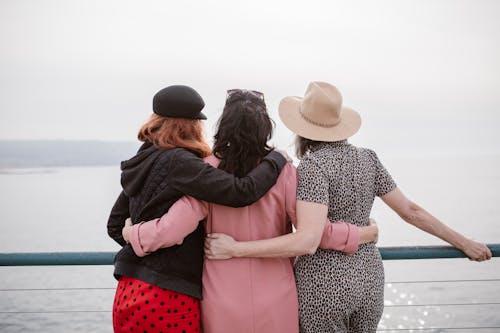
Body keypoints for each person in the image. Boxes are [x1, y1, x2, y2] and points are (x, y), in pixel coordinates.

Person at [204, 82, 492, 332]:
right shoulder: (369, 158)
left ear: (302, 129)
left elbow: (309, 236)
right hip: (368, 279)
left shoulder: (311, 168)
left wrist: (235, 249)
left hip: (323, 286)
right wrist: (464, 242)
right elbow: (410, 211)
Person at [122, 89, 380, 333]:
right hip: (277, 298)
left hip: (221, 300)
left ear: (223, 126)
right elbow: (315, 234)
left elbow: (170, 230)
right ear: (265, 128)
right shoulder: (285, 172)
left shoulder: (207, 171)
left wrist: (133, 232)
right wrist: (361, 233)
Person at [107, 85, 291, 333]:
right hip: (167, 296)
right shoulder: (183, 163)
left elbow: (115, 225)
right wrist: (277, 159)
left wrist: (138, 243)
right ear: (192, 125)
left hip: (129, 289)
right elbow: (241, 191)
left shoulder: (143, 160)